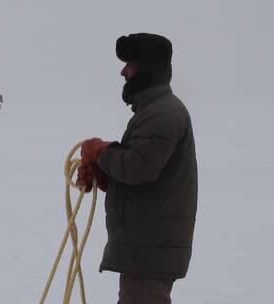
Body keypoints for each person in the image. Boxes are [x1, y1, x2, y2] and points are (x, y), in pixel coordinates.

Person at [77, 33, 198, 304]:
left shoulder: (162, 113)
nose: (123, 71)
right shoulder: (155, 110)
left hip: (149, 250)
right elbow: (145, 176)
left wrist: (99, 151)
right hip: (148, 247)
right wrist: (103, 175)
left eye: (129, 64)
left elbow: (139, 167)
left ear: (145, 69)